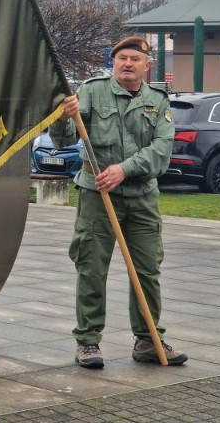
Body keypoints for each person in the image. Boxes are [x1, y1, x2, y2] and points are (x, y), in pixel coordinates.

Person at [49, 36, 188, 369]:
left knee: (146, 273)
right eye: (122, 58)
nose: (128, 63)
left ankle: (148, 340)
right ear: (113, 62)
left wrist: (124, 170)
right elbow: (64, 139)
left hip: (141, 198)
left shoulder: (159, 100)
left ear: (146, 65)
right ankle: (88, 342)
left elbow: (161, 152)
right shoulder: (92, 91)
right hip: (98, 195)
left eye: (135, 59)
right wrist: (63, 117)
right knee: (92, 269)